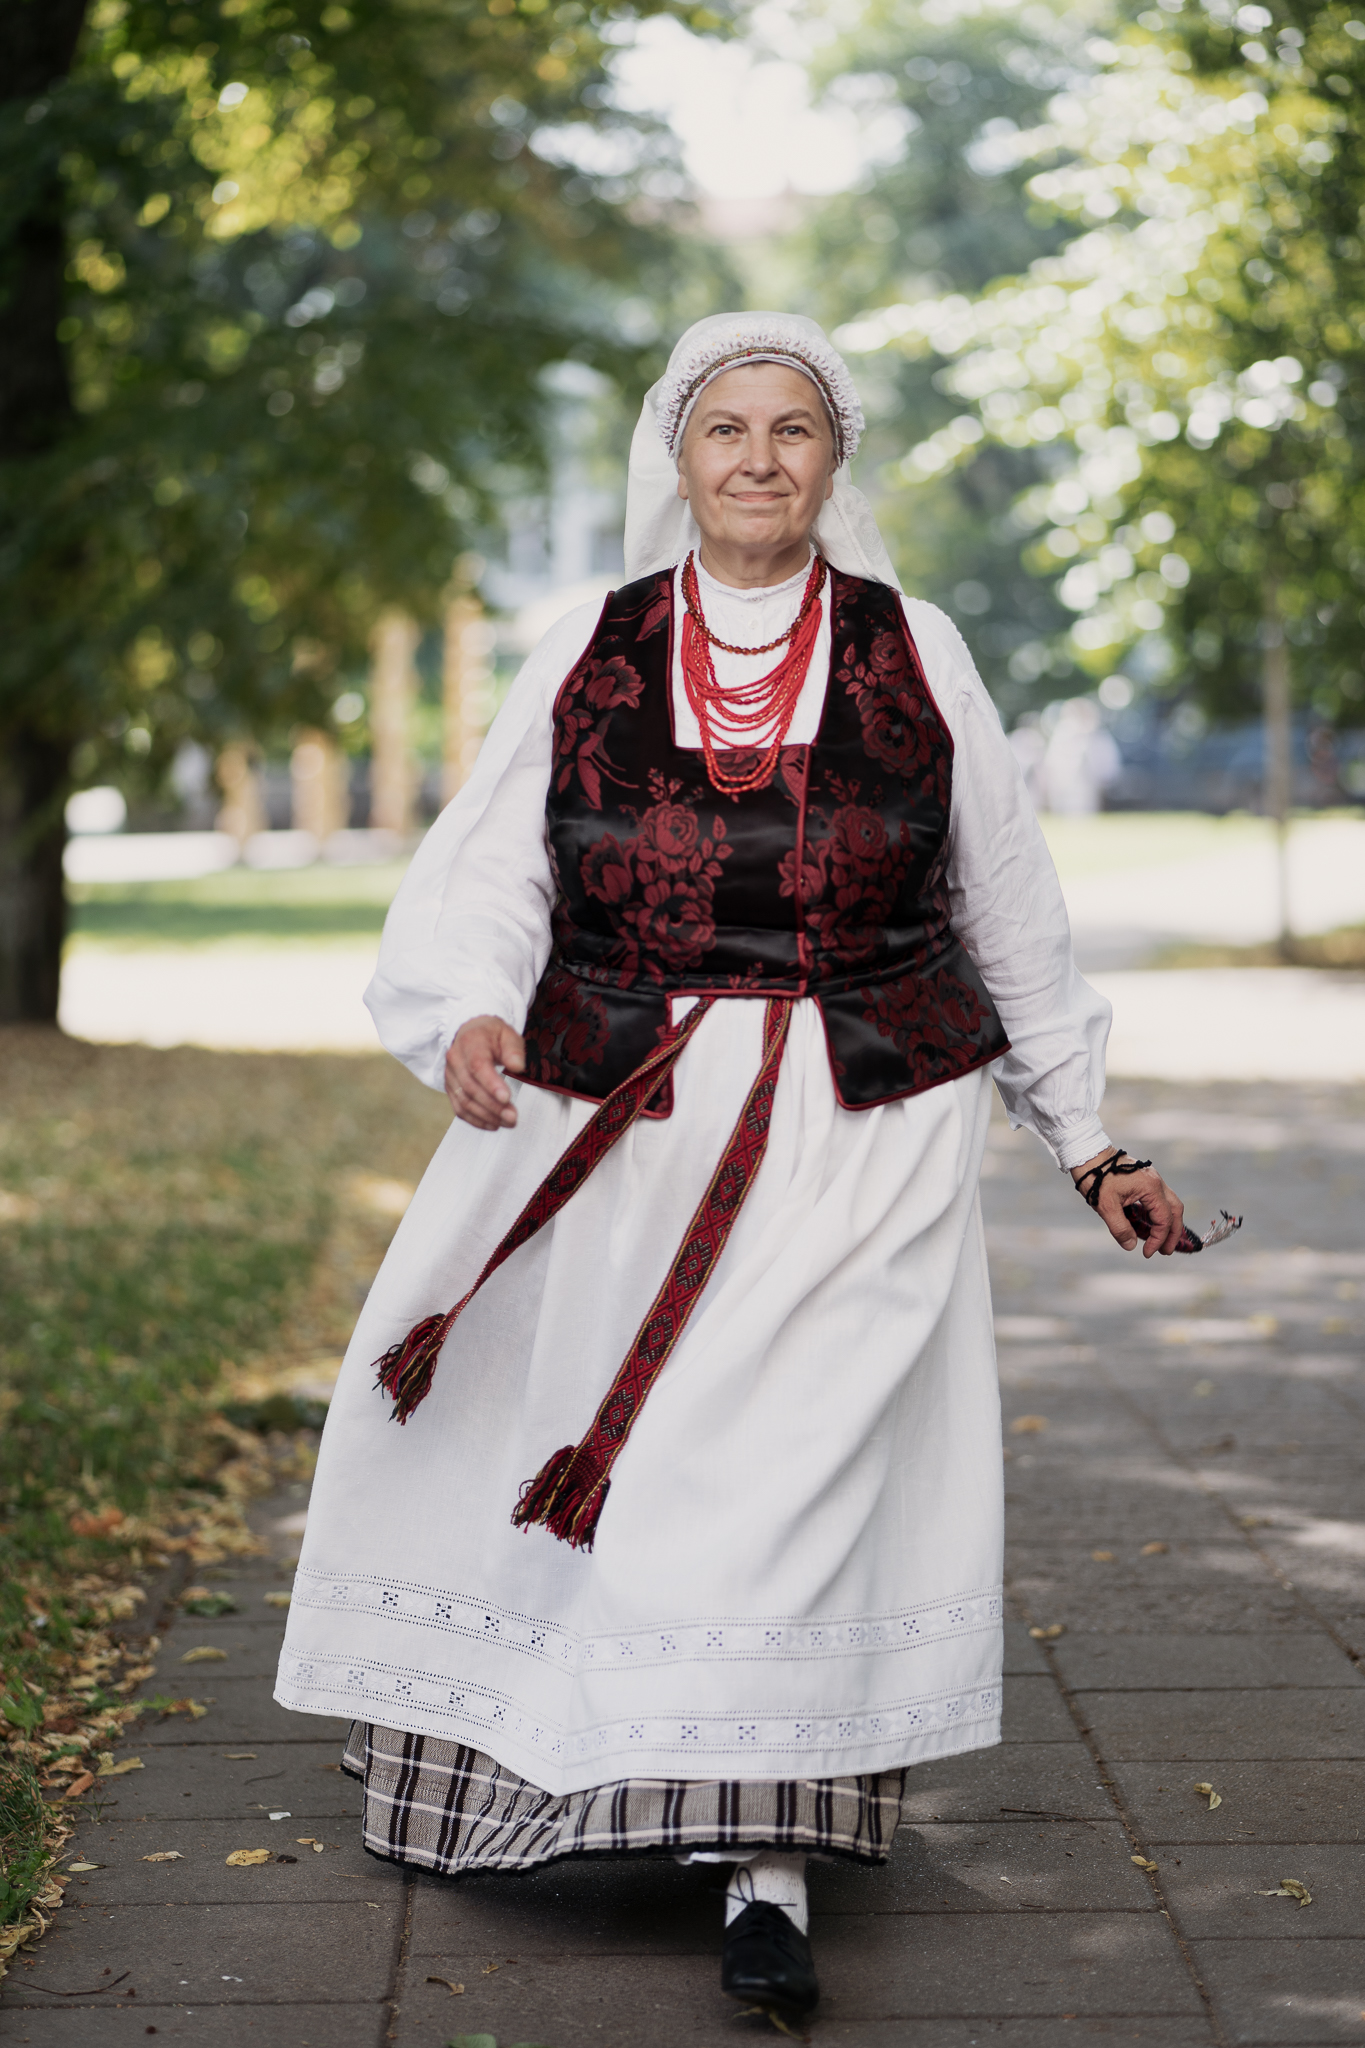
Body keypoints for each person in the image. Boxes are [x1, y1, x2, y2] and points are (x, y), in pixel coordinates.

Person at [275, 311, 1186, 2019]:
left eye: (792, 430)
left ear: (836, 461)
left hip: (861, 1128)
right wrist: (472, 1013)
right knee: (594, 1458)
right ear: (677, 457)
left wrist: (1088, 1138)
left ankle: (763, 1859)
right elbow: (490, 877)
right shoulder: (591, 646)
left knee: (779, 1465)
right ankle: (549, 1765)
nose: (758, 459)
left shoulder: (916, 646)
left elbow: (1009, 906)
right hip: (623, 1117)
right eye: (725, 430)